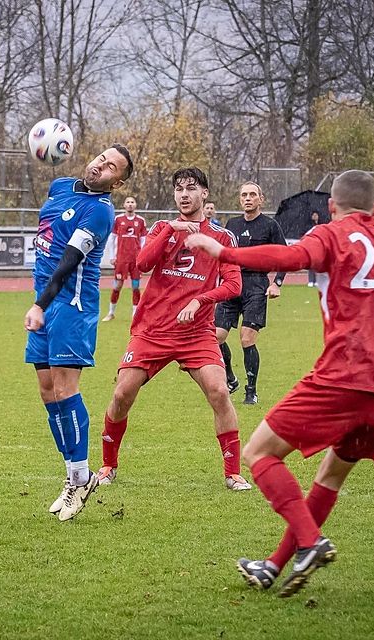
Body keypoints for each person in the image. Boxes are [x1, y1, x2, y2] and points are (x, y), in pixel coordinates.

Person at [186, 170, 374, 597]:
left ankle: (311, 540)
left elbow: (289, 258)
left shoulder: (331, 235)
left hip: (342, 377)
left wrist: (223, 252)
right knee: (330, 477)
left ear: (332, 206)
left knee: (258, 453)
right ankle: (273, 566)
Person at [96, 166, 250, 492]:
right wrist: (170, 230)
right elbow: (143, 264)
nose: (184, 194)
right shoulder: (161, 228)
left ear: (204, 194)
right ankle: (108, 465)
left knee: (220, 391)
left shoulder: (222, 238)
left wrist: (200, 300)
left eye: (191, 188)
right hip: (152, 330)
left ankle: (233, 472)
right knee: (122, 394)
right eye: (179, 189)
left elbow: (234, 285)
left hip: (196, 333)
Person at [24, 144, 133, 522]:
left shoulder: (100, 212)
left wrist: (40, 304)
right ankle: (74, 476)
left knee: (65, 389)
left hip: (71, 307)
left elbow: (69, 262)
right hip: (44, 300)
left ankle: (80, 477)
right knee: (46, 390)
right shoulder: (60, 186)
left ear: (117, 183)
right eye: (102, 158)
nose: (101, 165)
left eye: (111, 167)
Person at [214, 182, 287, 405]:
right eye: (244, 195)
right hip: (231, 282)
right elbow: (223, 254)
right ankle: (231, 378)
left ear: (260, 199)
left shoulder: (270, 225)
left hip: (256, 285)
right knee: (215, 337)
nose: (248, 198)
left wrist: (277, 283)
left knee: (246, 338)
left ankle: (251, 391)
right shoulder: (232, 224)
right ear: (240, 199)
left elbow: (285, 256)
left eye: (252, 194)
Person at [102, 196, 148, 321]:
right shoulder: (118, 219)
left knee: (135, 286)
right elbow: (112, 238)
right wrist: (112, 256)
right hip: (121, 259)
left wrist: (142, 255)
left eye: (132, 202)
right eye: (128, 202)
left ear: (135, 205)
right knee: (117, 286)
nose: (130, 204)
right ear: (124, 205)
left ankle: (134, 314)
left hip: (135, 260)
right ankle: (111, 313)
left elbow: (144, 239)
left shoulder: (141, 220)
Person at [307, 211, 321, 287]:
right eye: (314, 215)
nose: (315, 217)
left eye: (316, 215)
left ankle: (316, 281)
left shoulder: (320, 225)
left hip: (318, 247)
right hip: (311, 246)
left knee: (317, 264)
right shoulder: (309, 226)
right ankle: (311, 280)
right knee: (311, 264)